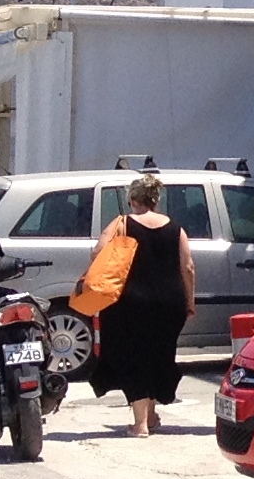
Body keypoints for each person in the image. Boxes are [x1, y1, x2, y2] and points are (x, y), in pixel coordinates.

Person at [75, 173, 195, 437]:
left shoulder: (122, 223)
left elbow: (97, 252)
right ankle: (151, 416)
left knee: (132, 357)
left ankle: (140, 424)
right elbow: (187, 267)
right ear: (156, 199)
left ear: (132, 200)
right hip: (169, 301)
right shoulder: (176, 227)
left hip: (129, 301)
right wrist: (189, 300)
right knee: (159, 354)